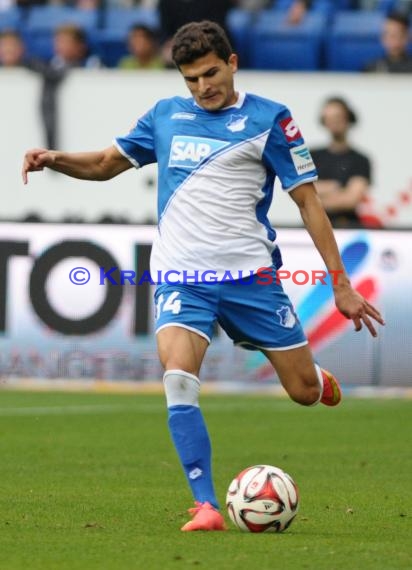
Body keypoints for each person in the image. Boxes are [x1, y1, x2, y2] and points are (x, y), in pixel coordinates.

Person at [22, 21, 384, 532]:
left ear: (232, 63)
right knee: (177, 375)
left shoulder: (270, 120)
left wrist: (341, 283)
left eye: (211, 73)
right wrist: (55, 158)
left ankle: (316, 376)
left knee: (302, 392)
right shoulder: (166, 116)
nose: (202, 87)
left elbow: (309, 204)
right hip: (180, 276)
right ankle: (206, 505)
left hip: (250, 279)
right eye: (191, 79)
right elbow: (106, 163)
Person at [310, 96, 372, 228]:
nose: (334, 122)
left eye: (337, 116)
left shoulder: (360, 160)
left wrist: (318, 195)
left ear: (348, 118)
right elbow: (301, 193)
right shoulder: (312, 156)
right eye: (329, 118)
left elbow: (351, 200)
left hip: (348, 228)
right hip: (314, 228)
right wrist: (334, 187)